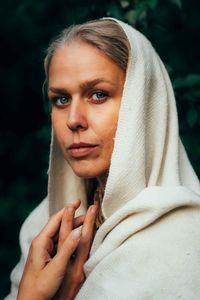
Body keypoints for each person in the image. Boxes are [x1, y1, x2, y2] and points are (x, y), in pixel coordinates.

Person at [5, 17, 200, 300]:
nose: (73, 120)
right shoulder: (44, 227)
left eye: (98, 94)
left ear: (142, 103)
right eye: (61, 99)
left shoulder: (182, 241)